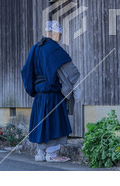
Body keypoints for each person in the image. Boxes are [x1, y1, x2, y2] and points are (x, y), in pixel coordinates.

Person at [21, 20, 81, 162]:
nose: (60, 37)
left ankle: (40, 153)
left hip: (40, 95)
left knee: (42, 123)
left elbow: (26, 71)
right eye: (59, 34)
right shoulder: (54, 49)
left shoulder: (35, 48)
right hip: (53, 94)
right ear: (56, 33)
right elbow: (71, 72)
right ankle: (53, 155)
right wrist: (72, 89)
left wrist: (33, 89)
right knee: (54, 124)